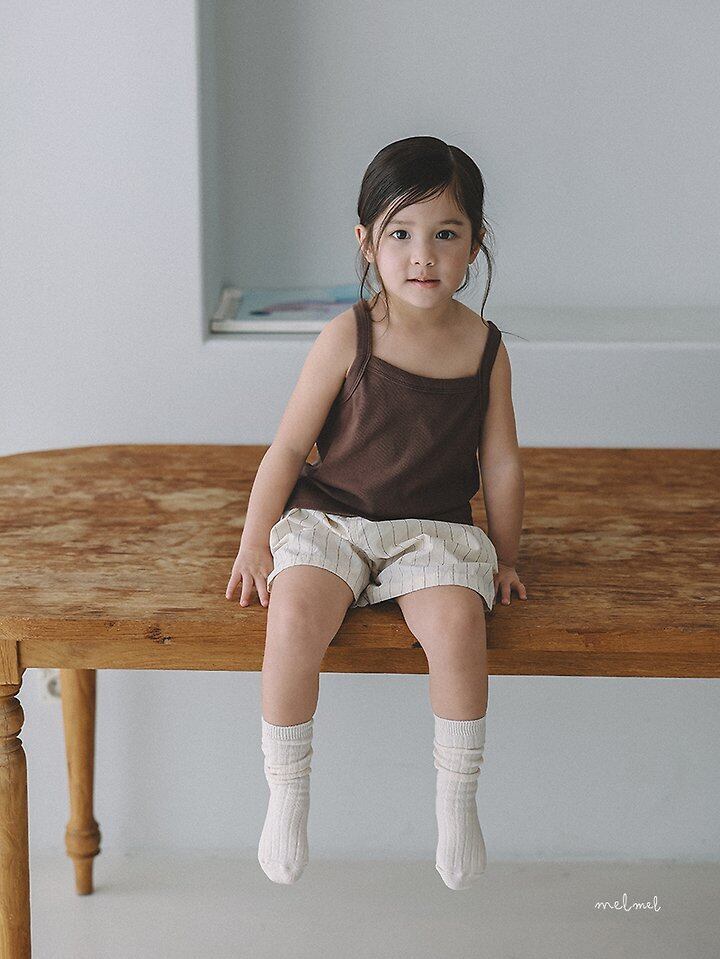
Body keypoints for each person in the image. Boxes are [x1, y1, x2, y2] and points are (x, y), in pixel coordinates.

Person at [225, 135, 527, 890]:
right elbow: (288, 447)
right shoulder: (349, 335)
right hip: (334, 519)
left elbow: (501, 463)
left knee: (459, 624)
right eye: (401, 234)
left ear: (475, 245)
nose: (423, 255)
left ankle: (457, 798)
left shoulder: (485, 348)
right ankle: (286, 791)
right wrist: (255, 543)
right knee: (294, 615)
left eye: (446, 234)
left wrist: (507, 554)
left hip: (433, 530)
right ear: (366, 242)